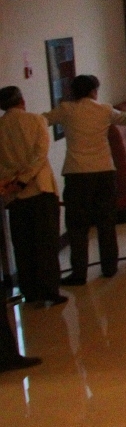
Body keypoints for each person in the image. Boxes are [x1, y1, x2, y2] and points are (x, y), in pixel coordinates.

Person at [44, 74, 126, 285]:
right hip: (104, 171)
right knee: (106, 222)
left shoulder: (66, 109)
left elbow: (41, 120)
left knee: (77, 226)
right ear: (94, 91)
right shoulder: (104, 109)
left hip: (76, 173)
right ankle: (109, 267)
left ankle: (79, 273)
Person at [0, 86, 64, 306]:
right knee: (47, 244)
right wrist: (24, 178)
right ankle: (50, 290)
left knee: (23, 246)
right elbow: (40, 154)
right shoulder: (36, 120)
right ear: (22, 100)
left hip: (13, 195)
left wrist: (12, 183)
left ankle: (31, 292)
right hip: (40, 189)